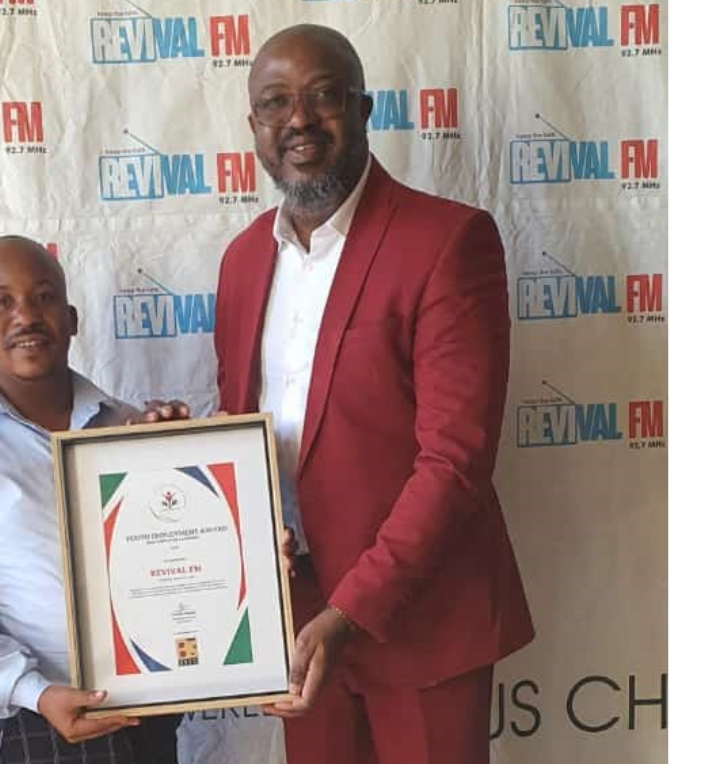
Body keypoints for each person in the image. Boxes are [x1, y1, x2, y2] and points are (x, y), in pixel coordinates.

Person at [212, 24, 535, 764]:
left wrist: (350, 611)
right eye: (275, 103)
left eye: (323, 96)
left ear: (363, 109)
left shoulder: (447, 241)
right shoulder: (241, 261)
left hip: (422, 619)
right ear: (254, 126)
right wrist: (176, 448)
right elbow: (250, 433)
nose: (299, 119)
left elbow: (454, 462)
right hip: (298, 623)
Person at [0, 235, 186, 764]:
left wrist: (188, 457)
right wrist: (35, 691)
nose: (26, 316)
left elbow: (175, 553)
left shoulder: (131, 428)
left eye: (44, 297)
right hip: (28, 720)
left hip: (142, 708)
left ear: (71, 319)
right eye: (1, 303)